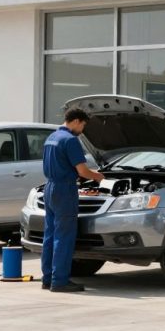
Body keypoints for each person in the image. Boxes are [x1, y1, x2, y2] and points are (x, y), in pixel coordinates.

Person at [41, 107, 104, 293]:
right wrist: (98, 177)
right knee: (64, 237)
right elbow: (83, 171)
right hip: (65, 190)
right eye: (83, 125)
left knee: (50, 236)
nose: (82, 130)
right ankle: (60, 281)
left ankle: (47, 279)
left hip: (50, 187)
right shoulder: (70, 140)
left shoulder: (51, 138)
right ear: (76, 121)